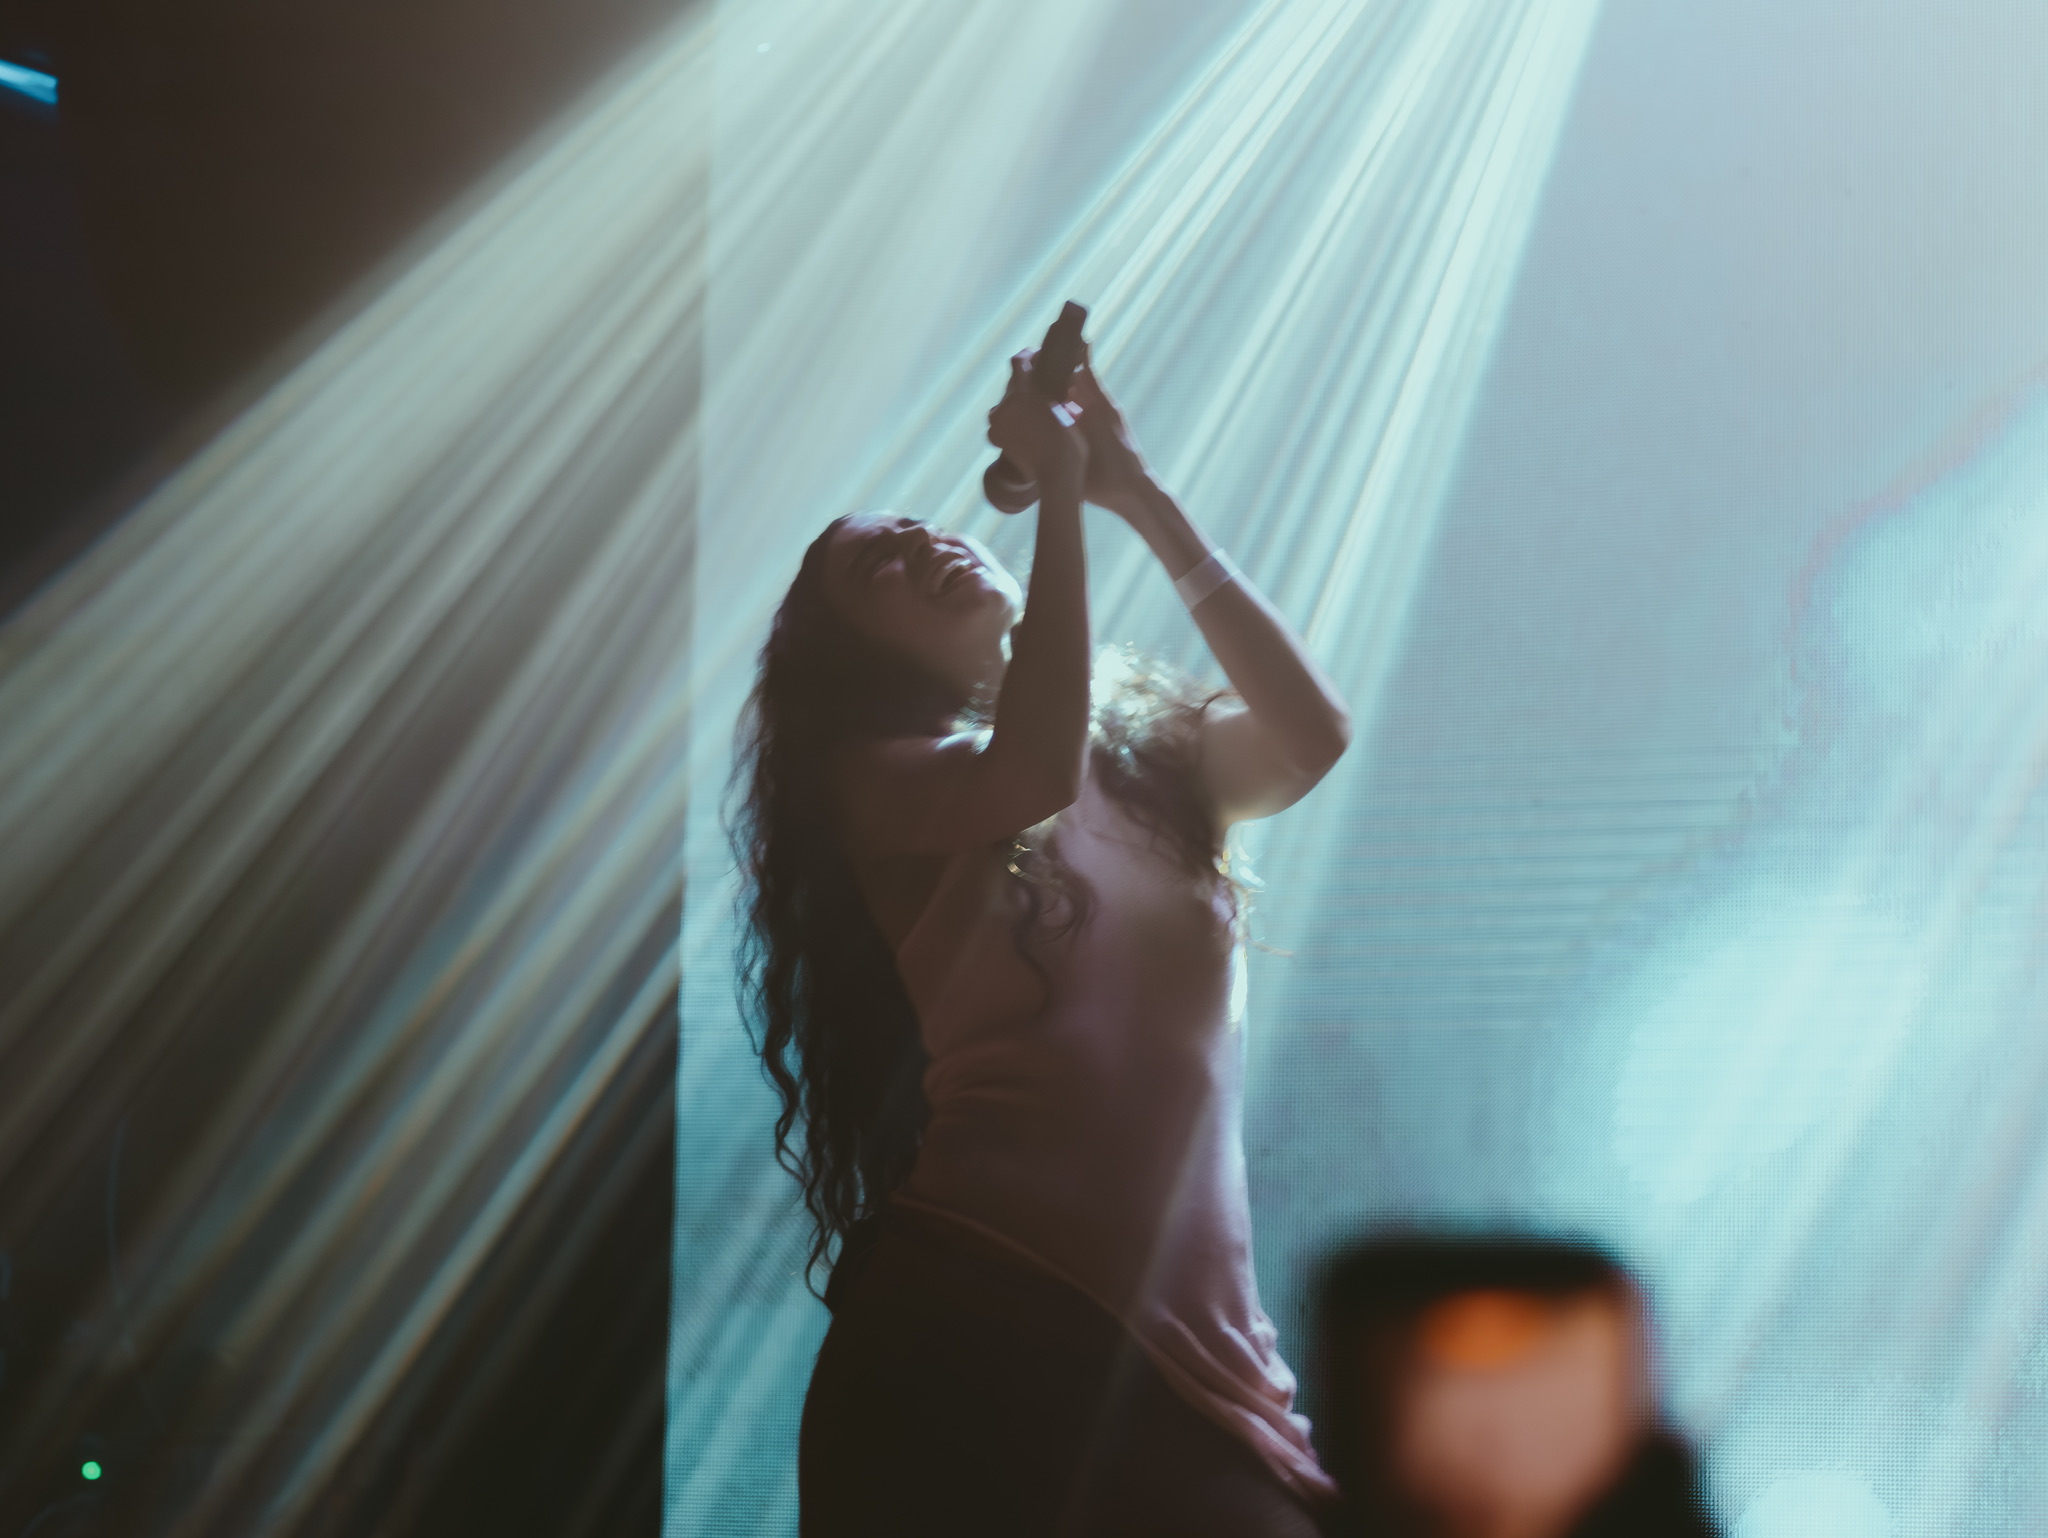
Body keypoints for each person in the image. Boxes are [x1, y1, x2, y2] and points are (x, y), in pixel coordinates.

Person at [734, 341, 1352, 1536]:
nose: (927, 544)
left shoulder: (1143, 757)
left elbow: (1307, 734)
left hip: (1184, 1353)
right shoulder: (876, 781)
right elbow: (1028, 769)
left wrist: (1130, 489)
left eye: (922, 527)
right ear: (856, 661)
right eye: (880, 564)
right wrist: (1059, 494)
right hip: (976, 1331)